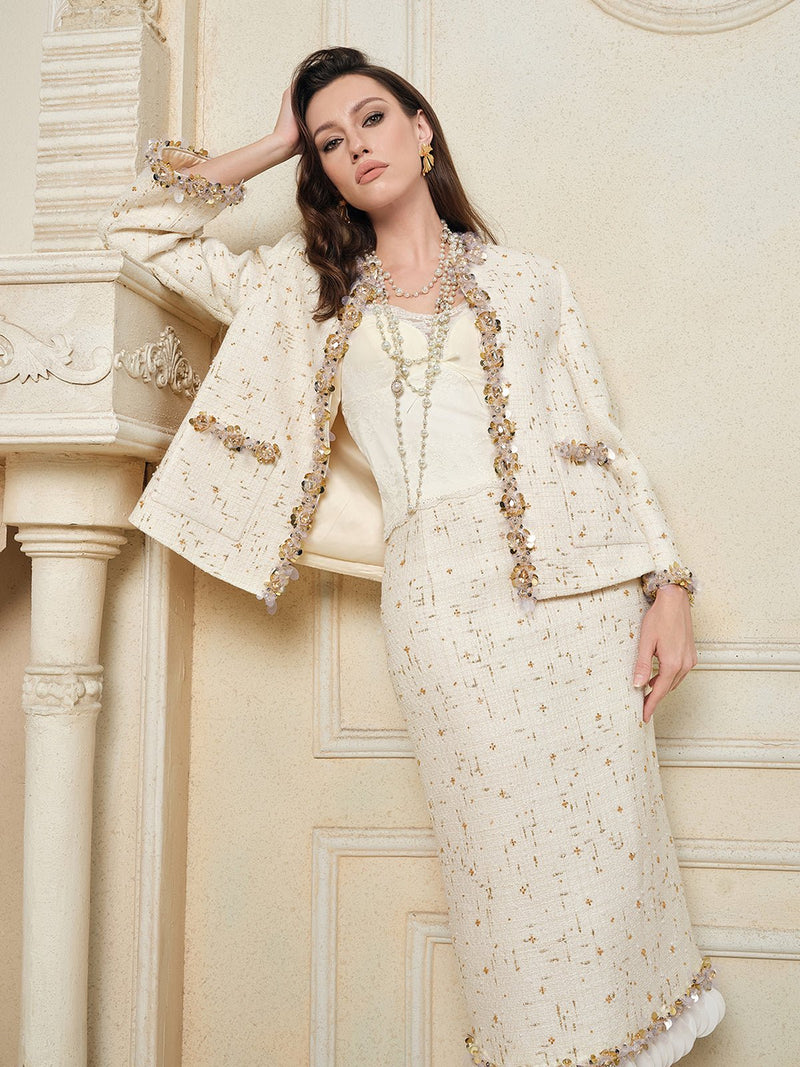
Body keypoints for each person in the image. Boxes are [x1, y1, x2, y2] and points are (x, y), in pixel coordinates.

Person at [98, 45, 725, 1067]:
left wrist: (669, 587)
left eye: (372, 119)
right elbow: (140, 226)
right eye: (332, 142)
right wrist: (274, 140)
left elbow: (601, 441)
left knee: (610, 868)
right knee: (502, 880)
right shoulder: (300, 290)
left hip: (582, 601)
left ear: (421, 128)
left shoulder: (528, 283)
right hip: (440, 605)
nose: (356, 149)